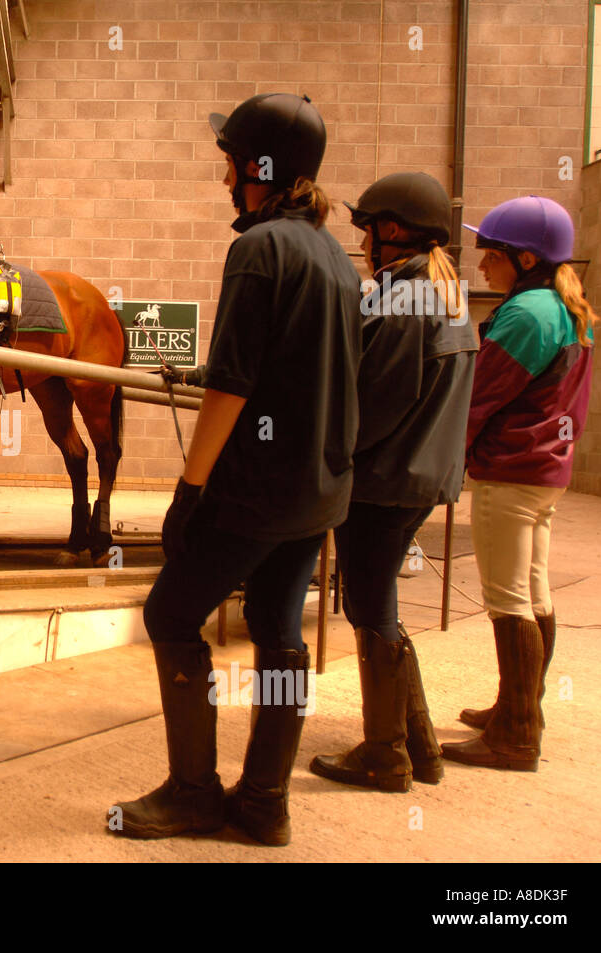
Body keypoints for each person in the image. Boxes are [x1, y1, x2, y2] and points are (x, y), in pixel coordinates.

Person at [111, 94, 361, 847]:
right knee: (279, 628)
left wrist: (189, 490)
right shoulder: (338, 260)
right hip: (317, 493)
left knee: (168, 614)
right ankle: (264, 801)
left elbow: (232, 383)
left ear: (259, 169)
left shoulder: (259, 250)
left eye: (230, 160)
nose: (223, 174)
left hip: (254, 492)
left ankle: (193, 791)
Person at [307, 172, 477, 793]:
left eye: (370, 230)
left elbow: (373, 401)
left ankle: (384, 754)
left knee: (370, 606)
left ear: (395, 230)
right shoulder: (448, 293)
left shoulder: (406, 299)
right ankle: (420, 745)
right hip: (421, 477)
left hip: (382, 480)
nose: (365, 244)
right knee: (379, 605)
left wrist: (324, 453)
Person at [441, 196, 597, 772]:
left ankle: (515, 736)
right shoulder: (562, 307)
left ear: (525, 257)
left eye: (491, 255)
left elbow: (477, 399)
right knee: (534, 594)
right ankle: (518, 706)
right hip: (546, 472)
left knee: (507, 600)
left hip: (512, 472)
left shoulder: (527, 313)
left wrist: (443, 456)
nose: (481, 266)